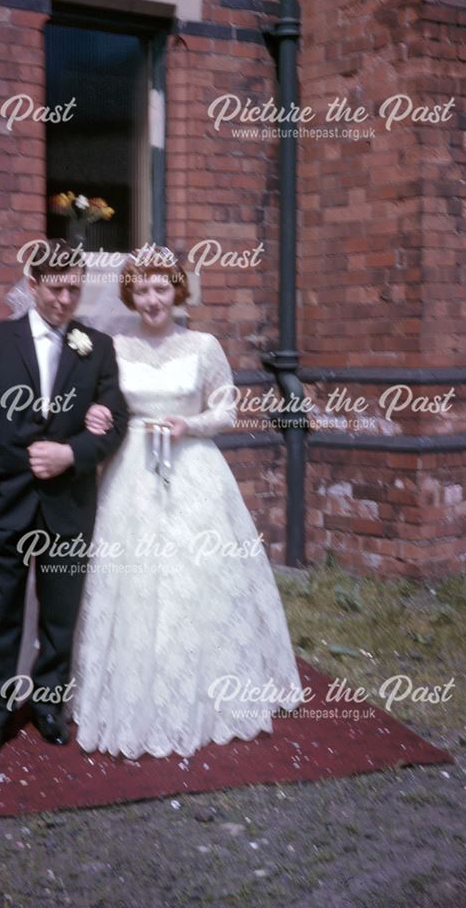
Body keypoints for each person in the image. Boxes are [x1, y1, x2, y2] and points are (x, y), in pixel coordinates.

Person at [67, 246, 304, 759]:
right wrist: (99, 420)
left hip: (193, 468)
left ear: (177, 291)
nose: (152, 299)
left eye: (161, 288)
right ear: (131, 295)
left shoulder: (204, 345)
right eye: (143, 290)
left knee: (201, 577)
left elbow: (227, 410)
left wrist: (188, 425)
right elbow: (104, 405)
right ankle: (127, 688)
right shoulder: (115, 347)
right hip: (132, 473)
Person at [0, 239, 129, 762]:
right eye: (56, 288)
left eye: (74, 288)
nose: (65, 299)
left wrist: (72, 452)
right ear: (32, 285)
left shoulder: (97, 347)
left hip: (68, 503)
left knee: (60, 610)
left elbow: (115, 421)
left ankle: (50, 704)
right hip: (4, 501)